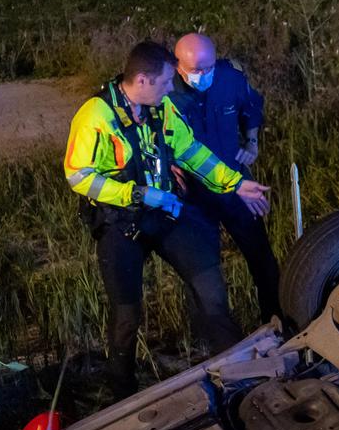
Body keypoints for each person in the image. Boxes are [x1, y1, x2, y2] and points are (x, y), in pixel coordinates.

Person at [63, 42, 271, 397]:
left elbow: (191, 152)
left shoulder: (162, 108)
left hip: (165, 212)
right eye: (164, 83)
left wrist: (235, 183)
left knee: (211, 289)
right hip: (120, 223)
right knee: (126, 316)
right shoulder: (95, 116)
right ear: (142, 80)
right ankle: (122, 395)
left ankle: (239, 375)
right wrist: (136, 195)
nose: (170, 89)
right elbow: (79, 176)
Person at [169, 33, 282, 323]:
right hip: (193, 193)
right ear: (178, 65)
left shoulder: (230, 78)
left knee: (262, 258)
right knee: (203, 271)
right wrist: (167, 165)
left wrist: (252, 142)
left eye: (209, 68)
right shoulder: (166, 92)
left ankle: (277, 321)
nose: (204, 75)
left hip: (235, 184)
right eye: (196, 70)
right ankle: (218, 333)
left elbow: (251, 107)